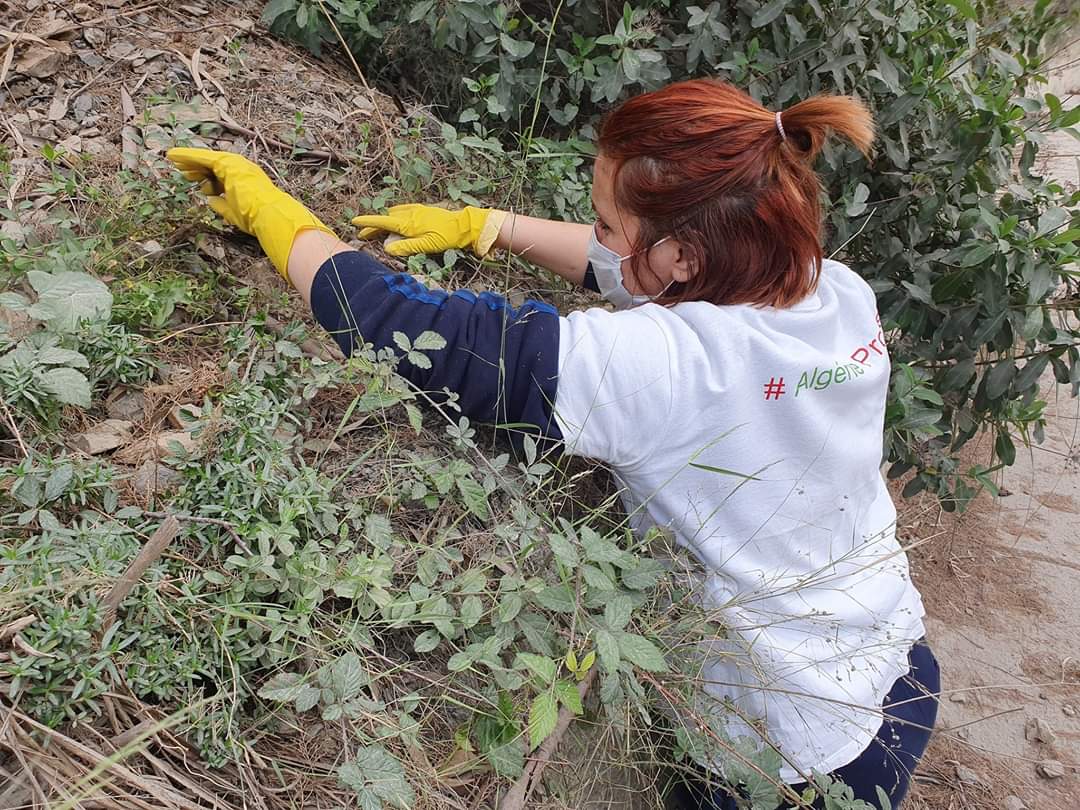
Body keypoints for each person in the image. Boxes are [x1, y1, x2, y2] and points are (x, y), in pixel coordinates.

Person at [166, 77, 938, 809]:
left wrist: (273, 214)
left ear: (682, 257)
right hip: (901, 663)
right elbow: (646, 275)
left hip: (786, 754)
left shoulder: (671, 369)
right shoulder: (830, 287)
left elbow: (409, 331)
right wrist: (493, 229)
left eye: (606, 224)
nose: (597, 239)